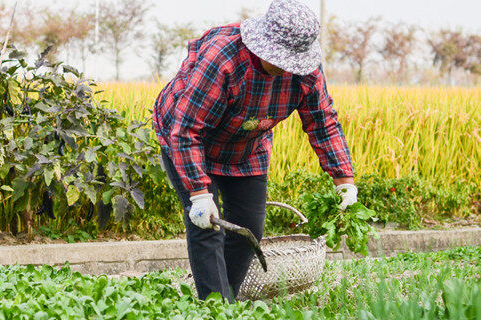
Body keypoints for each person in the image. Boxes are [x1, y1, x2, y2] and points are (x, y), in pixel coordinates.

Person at [152, 0, 357, 302]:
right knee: (207, 226)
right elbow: (186, 130)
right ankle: (216, 307)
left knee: (249, 228)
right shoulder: (223, 59)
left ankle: (226, 301)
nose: (287, 67)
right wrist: (199, 193)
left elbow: (322, 121)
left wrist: (344, 179)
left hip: (247, 146)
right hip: (189, 140)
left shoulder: (305, 72)